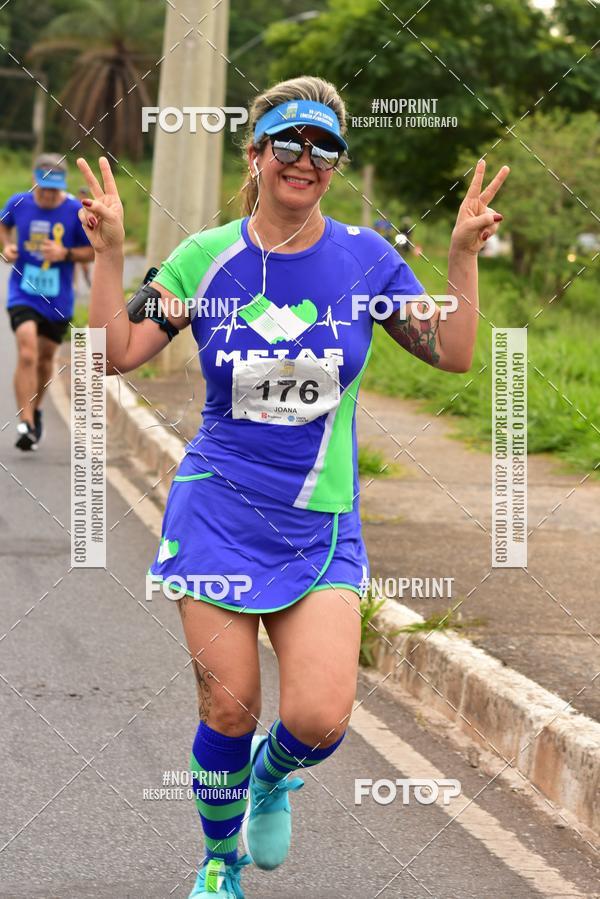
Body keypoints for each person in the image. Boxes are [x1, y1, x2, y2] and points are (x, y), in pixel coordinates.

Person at [75, 75, 509, 898]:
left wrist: (459, 258)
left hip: (320, 524)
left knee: (318, 718)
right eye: (289, 142)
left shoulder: (366, 257)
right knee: (229, 707)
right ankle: (219, 858)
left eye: (324, 147)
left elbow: (451, 353)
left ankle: (273, 777)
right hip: (216, 515)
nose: (305, 159)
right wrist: (107, 255)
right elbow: (117, 351)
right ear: (257, 153)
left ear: (336, 163)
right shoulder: (207, 257)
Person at [0, 153, 94, 450]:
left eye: (55, 188)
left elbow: (92, 251)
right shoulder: (18, 202)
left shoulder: (74, 211)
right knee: (27, 350)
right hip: (23, 291)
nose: (49, 195)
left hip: (58, 299)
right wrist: (7, 247)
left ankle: (36, 409)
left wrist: (65, 254)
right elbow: (3, 225)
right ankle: (26, 422)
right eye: (43, 188)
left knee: (44, 360)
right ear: (33, 182)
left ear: (63, 185)